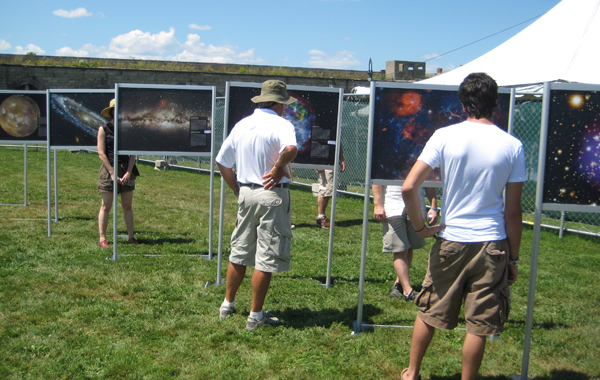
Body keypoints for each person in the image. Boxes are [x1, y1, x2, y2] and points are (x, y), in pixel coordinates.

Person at [400, 73, 526, 380]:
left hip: (451, 241)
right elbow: (513, 212)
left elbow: (408, 188)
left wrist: (420, 229)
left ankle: (412, 373)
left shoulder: (444, 136)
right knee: (479, 324)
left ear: (462, 102)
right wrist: (513, 258)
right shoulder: (513, 145)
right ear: (496, 102)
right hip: (492, 245)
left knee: (429, 309)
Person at [215, 80, 298, 331]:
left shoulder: (242, 125)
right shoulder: (281, 124)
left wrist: (237, 190)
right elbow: (291, 148)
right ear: (278, 104)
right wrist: (276, 168)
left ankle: (227, 304)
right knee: (266, 256)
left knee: (239, 251)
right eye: (284, 104)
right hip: (272, 194)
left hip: (247, 193)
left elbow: (222, 162)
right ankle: (255, 314)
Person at [372, 185, 437, 300]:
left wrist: (433, 207)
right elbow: (377, 180)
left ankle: (399, 283)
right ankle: (408, 290)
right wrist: (378, 205)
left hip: (416, 206)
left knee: (408, 246)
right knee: (399, 249)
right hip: (393, 206)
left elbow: (429, 181)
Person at [97, 99, 140, 248]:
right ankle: (102, 238)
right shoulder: (104, 129)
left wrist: (128, 171)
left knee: (127, 205)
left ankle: (131, 236)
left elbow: (133, 153)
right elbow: (101, 152)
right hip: (109, 169)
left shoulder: (129, 129)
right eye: (116, 110)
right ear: (112, 112)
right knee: (106, 205)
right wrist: (111, 171)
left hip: (126, 168)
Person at [316, 148, 345, 229]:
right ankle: (321, 217)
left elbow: (339, 142)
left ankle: (321, 216)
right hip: (324, 159)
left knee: (326, 188)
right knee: (327, 187)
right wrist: (318, 161)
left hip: (332, 159)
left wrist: (341, 159)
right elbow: (317, 142)